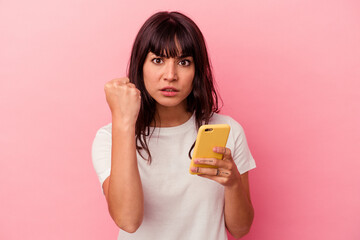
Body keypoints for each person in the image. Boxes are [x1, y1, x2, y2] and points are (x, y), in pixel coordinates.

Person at [92, 11, 256, 240]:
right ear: (141, 66)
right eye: (158, 60)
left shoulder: (228, 131)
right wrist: (123, 119)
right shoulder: (110, 136)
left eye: (184, 62)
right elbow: (128, 221)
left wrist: (233, 183)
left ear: (197, 70)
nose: (170, 75)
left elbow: (240, 229)